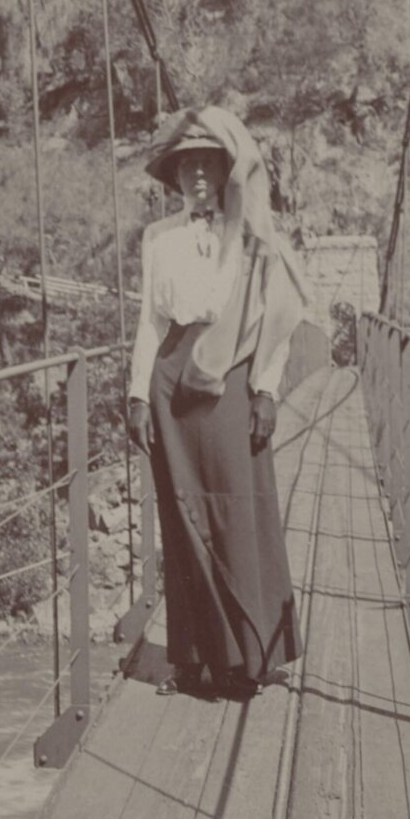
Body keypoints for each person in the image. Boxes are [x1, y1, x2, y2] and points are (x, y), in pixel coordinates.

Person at [127, 106, 308, 698]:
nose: (197, 176)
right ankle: (193, 658)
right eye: (187, 167)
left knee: (238, 506)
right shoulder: (158, 239)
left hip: (229, 377)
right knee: (183, 516)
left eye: (208, 164)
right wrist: (135, 395)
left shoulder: (251, 236)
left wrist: (265, 389)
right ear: (173, 178)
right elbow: (151, 324)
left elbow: (270, 322)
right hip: (171, 380)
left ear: (224, 172)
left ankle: (249, 658)